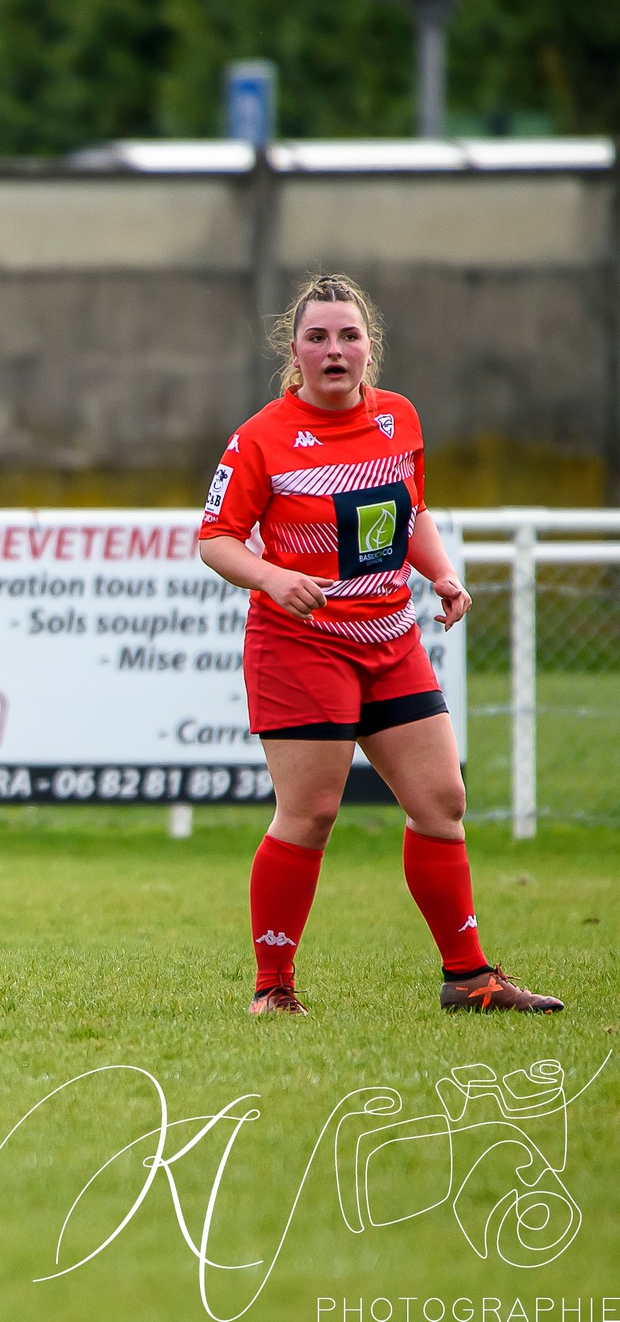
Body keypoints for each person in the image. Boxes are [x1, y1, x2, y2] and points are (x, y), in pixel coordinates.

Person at [198, 274, 562, 1016]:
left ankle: (469, 978)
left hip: (390, 638)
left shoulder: (399, 418)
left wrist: (443, 573)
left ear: (371, 347)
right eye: (318, 337)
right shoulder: (261, 436)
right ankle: (274, 988)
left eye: (349, 336)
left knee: (441, 800)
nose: (335, 349)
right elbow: (216, 540)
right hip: (302, 644)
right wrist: (271, 576)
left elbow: (411, 509)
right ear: (293, 351)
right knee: (311, 813)